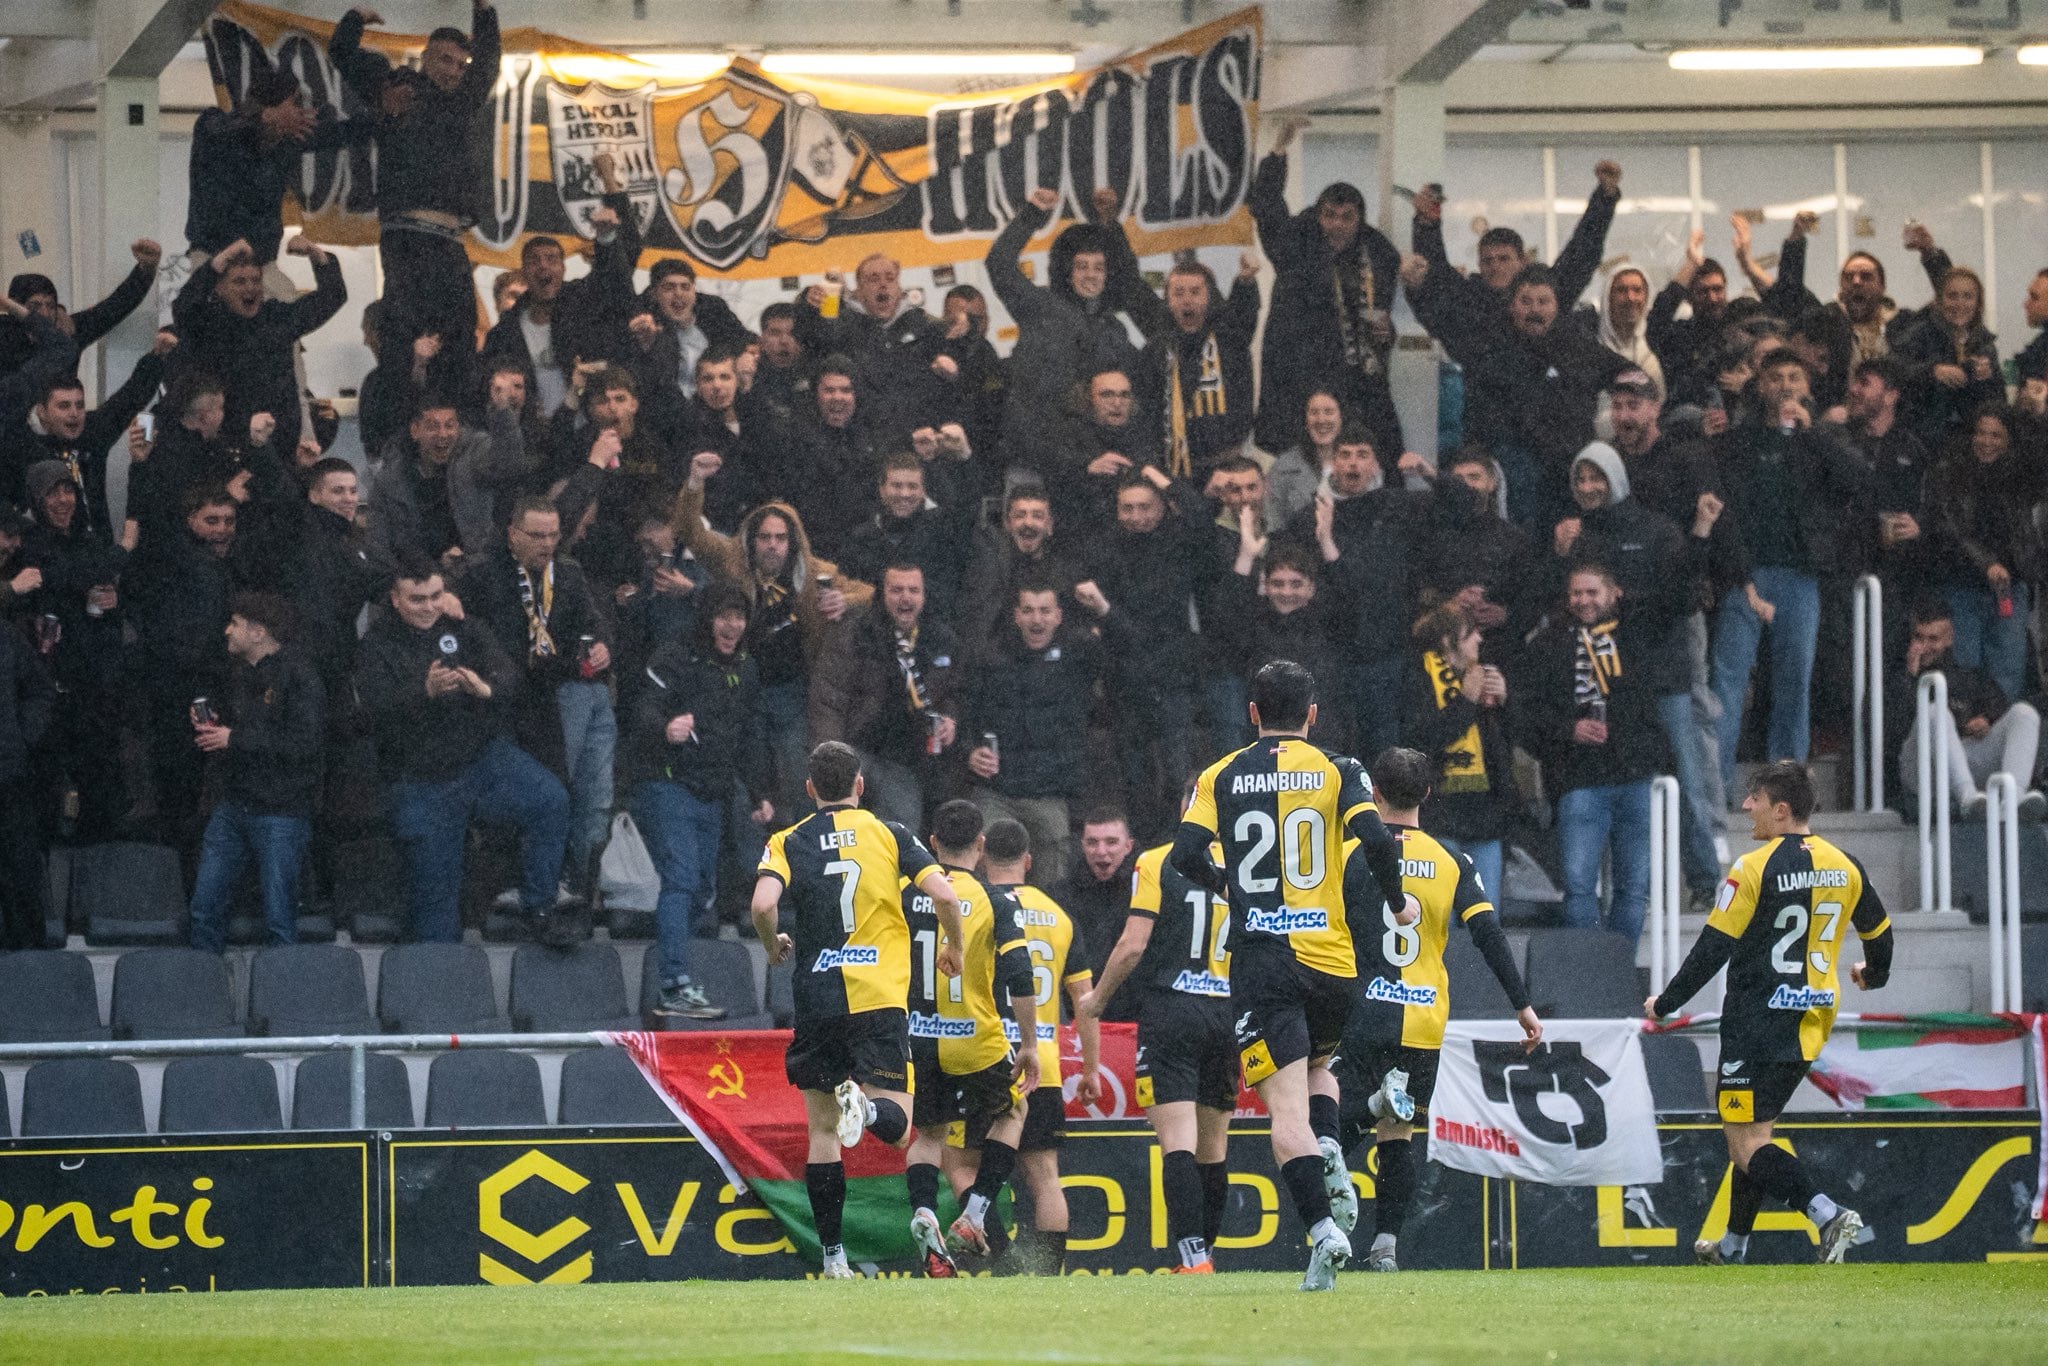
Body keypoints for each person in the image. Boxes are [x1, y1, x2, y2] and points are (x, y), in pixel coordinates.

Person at [1169, 659, 1406, 1291]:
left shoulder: (1220, 774)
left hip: (1263, 960)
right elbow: (1377, 840)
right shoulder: (1341, 768)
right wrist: (1397, 901)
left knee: (1284, 1111)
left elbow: (1185, 854)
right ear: (1312, 714)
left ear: (1251, 713)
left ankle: (1322, 1230)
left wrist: (1227, 885)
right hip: (1332, 961)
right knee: (1320, 1064)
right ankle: (1328, 1145)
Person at [1646, 760, 1894, 1266]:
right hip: (1811, 1020)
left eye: (1754, 798)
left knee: (1745, 1144)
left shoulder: (1753, 868)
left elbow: (1713, 948)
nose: (1746, 806)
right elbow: (1880, 934)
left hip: (1757, 1021)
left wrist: (1666, 1004)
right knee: (1756, 1135)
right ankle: (1733, 1245)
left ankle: (1827, 1214)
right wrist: (1873, 975)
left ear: (1781, 810)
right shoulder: (1845, 864)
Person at [751, 741, 965, 1281]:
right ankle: (866, 1111)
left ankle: (834, 1259)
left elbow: (762, 904)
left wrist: (772, 943)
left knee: (823, 1134)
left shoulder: (787, 840)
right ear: (860, 785)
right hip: (878, 999)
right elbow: (945, 897)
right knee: (898, 1128)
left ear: (810, 789)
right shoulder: (890, 834)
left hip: (818, 998)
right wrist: (955, 948)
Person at [1335, 747, 1539, 1272]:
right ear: (1427, 793)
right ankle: (1386, 1247)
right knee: (1399, 1136)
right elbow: (1488, 935)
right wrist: (1522, 1005)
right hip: (1424, 1017)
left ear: (1373, 793)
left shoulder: (1348, 851)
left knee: (1323, 1130)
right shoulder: (1452, 861)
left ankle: (1369, 1113)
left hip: (1362, 1011)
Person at [354, 555, 571, 944]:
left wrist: (486, 689)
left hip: (482, 759)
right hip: (423, 779)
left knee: (550, 800)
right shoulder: (377, 644)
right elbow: (372, 711)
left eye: (436, 596)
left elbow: (509, 675)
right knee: (435, 914)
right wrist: (423, 692)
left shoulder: (464, 626)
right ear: (396, 600)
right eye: (417, 599)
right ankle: (437, 974)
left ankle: (538, 906)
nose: (428, 607)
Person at [1079, 790, 1234, 1273]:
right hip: (1226, 1013)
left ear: (1187, 809)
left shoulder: (1158, 861)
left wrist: (1097, 1000)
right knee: (1214, 1148)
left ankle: (1193, 1259)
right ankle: (1204, 1258)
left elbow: (1133, 945)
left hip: (1173, 1011)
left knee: (1178, 1142)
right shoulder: (1249, 867)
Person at [1708, 348, 1871, 795]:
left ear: (1808, 386)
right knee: (1728, 680)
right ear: (1760, 385)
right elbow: (1724, 509)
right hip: (1745, 576)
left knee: (1794, 682)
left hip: (1800, 574)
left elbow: (1859, 480)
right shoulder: (1737, 441)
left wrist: (1811, 433)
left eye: (1794, 377)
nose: (1785, 385)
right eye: (1775, 376)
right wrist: (1734, 570)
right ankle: (1717, 785)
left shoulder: (1819, 439)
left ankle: (1786, 788)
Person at [1517, 559, 1702, 942]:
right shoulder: (1549, 644)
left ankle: (1619, 969)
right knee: (1578, 887)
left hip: (1637, 777)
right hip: (1578, 780)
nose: (1584, 600)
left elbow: (1678, 599)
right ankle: (1590, 970)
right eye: (1576, 593)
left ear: (1614, 593)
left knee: (1633, 888)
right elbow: (1524, 713)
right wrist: (1568, 729)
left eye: (1592, 592)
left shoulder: (1636, 632)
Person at [330, 0, 502, 392]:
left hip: (448, 240)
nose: (453, 71)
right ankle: (402, 408)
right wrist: (355, 18)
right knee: (404, 332)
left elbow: (488, 64)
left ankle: (454, 413)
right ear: (425, 57)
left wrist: (485, 11)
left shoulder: (462, 103)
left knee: (459, 338)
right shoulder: (399, 89)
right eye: (445, 60)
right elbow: (342, 54)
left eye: (460, 65)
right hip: (407, 237)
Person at [452, 497, 615, 902]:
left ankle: (565, 881)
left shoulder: (568, 573)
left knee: (568, 789)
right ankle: (506, 882)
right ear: (512, 534)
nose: (547, 544)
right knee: (520, 795)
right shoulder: (481, 574)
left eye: (553, 535)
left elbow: (593, 622)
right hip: (498, 701)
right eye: (537, 535)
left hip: (550, 695)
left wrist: (602, 645)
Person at [631, 585, 775, 1019]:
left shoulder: (748, 669)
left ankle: (668, 965)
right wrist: (666, 727)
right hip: (667, 785)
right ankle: (673, 983)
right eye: (723, 616)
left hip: (713, 793)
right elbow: (642, 710)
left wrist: (760, 791)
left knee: (702, 890)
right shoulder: (675, 658)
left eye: (739, 617)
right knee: (681, 879)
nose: (732, 626)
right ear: (707, 619)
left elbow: (750, 735)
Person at [983, 818, 1097, 1276]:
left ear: (983, 856)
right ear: (1028, 861)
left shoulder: (976, 907)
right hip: (1043, 1064)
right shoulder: (1059, 916)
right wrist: (1091, 1068)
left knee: (962, 1165)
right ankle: (1049, 1275)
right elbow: (1084, 1001)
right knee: (1045, 1176)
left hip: (987, 1056)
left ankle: (1004, 1260)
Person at [1251, 117, 1405, 456]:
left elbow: (1381, 316)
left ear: (1359, 219)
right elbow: (1266, 206)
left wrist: (1386, 332)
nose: (1337, 225)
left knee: (1368, 457)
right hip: (1299, 375)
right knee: (1303, 462)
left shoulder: (1376, 253)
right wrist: (1278, 152)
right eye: (1329, 215)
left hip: (1356, 382)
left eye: (1347, 217)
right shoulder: (1296, 245)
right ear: (1318, 215)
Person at [187, 592, 324, 953]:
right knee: (204, 907)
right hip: (234, 804)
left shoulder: (300, 676)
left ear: (258, 632)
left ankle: (282, 986)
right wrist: (216, 726)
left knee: (280, 915)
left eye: (235, 623)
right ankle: (204, 979)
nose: (227, 631)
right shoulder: (237, 674)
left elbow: (304, 743)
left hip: (281, 809)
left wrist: (234, 738)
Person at [963, 581, 1121, 887]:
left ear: (1058, 616)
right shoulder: (990, 656)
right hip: (996, 790)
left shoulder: (1079, 653)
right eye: (1028, 611)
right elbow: (964, 711)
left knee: (1053, 883)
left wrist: (1103, 610)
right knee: (986, 873)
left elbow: (1127, 653)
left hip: (1050, 793)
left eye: (1045, 611)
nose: (1037, 620)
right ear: (1016, 616)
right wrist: (968, 751)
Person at [988, 185, 1162, 463]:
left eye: (1099, 267)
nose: (1091, 275)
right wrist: (1033, 214)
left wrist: (1109, 225)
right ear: (1066, 271)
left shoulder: (1114, 330)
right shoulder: (1039, 306)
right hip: (1035, 456)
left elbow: (1131, 282)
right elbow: (999, 264)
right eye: (1082, 266)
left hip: (1093, 460)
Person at [482, 153, 642, 418]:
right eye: (534, 261)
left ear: (563, 268)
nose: (543, 267)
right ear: (523, 272)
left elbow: (622, 265)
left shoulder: (583, 304)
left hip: (585, 427)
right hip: (533, 431)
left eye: (552, 259)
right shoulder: (505, 332)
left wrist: (606, 230)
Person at [807, 562, 959, 830]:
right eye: (896, 590)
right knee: (837, 826)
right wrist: (832, 757)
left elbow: (954, 692)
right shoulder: (855, 631)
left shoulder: (940, 638)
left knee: (900, 835)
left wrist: (950, 717)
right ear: (882, 594)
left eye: (913, 590)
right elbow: (828, 698)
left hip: (904, 760)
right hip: (856, 748)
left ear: (924, 596)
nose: (905, 598)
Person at [170, 235, 346, 460]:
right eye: (239, 281)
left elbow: (332, 296)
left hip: (280, 442)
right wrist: (217, 263)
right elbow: (183, 308)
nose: (250, 288)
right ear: (220, 288)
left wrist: (317, 255)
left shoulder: (277, 318)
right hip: (228, 441)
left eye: (256, 280)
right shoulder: (208, 323)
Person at [1927, 405, 2045, 705]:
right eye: (1981, 433)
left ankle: (2001, 727)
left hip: (2010, 587)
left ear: (2008, 440)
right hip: (1961, 585)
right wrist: (1987, 563)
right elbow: (1948, 526)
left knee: (2008, 670)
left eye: (1996, 435)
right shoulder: (1950, 470)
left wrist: (2034, 414)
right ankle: (1966, 728)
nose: (1987, 442)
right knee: (1964, 667)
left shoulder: (2020, 473)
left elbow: (2041, 461)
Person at [1891, 597, 2045, 820]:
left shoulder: (1968, 676)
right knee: (1934, 712)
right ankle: (1967, 799)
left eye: (1933, 639)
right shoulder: (1896, 677)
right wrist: (1909, 678)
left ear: (1949, 639)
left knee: (2024, 713)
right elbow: (1891, 733)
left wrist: (1986, 720)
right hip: (1919, 769)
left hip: (1965, 762)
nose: (1924, 647)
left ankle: (2014, 798)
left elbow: (1999, 704)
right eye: (1918, 637)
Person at [1403, 602, 1515, 902]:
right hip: (1440, 817)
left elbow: (1510, 742)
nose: (1479, 639)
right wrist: (1466, 700)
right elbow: (1423, 740)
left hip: (1486, 818)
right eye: (1470, 633)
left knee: (1486, 914)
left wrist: (1505, 701)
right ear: (1447, 642)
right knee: (1442, 917)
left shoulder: (1480, 675)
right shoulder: (1418, 678)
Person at [1137, 258, 1261, 483]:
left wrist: (1245, 282)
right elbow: (1147, 412)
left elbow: (1243, 314)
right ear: (1167, 300)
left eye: (1195, 292)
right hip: (1175, 468)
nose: (1187, 300)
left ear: (1209, 297)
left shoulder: (1229, 340)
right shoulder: (1154, 351)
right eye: (1178, 293)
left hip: (1228, 464)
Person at [0, 610, 55, 950]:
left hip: (8, 775)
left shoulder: (6, 636)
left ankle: (30, 968)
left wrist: (21, 737)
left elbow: (40, 690)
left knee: (21, 876)